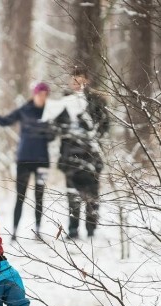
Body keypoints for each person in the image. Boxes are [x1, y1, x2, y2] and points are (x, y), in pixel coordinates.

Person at [0, 83, 53, 239]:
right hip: (24, 160)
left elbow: (54, 135)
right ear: (34, 95)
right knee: (20, 196)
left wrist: (48, 130)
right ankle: (14, 231)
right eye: (39, 94)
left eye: (45, 95)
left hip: (42, 161)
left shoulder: (50, 112)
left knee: (39, 196)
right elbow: (2, 121)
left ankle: (38, 231)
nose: (42, 97)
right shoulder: (24, 110)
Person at [53, 69, 109, 240]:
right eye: (74, 81)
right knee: (72, 195)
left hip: (91, 155)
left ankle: (91, 230)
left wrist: (89, 136)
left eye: (80, 81)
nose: (76, 84)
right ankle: (73, 230)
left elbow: (105, 125)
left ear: (87, 81)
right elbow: (56, 125)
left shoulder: (97, 101)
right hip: (70, 156)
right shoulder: (64, 101)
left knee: (92, 195)